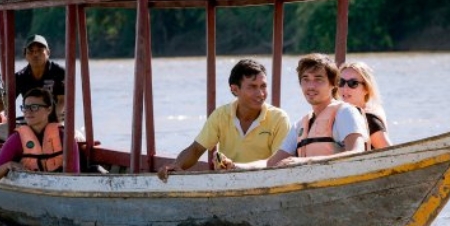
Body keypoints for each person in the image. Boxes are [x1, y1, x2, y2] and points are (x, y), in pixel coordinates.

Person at [157, 59, 291, 181]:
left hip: (265, 183)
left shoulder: (279, 119)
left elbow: (278, 164)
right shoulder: (220, 115)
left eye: (263, 86)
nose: (261, 93)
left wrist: (237, 167)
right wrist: (175, 166)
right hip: (228, 183)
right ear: (234, 89)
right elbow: (196, 149)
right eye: (252, 87)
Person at [234, 53, 368, 169]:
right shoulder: (299, 125)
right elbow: (271, 164)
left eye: (318, 79)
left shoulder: (345, 113)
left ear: (333, 84)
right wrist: (236, 166)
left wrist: (305, 161)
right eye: (306, 79)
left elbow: (356, 154)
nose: (311, 86)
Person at [0, 88, 79, 183]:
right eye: (25, 107)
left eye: (34, 107)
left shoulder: (65, 138)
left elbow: (75, 177)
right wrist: (8, 165)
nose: (28, 112)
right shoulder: (16, 139)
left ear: (49, 109)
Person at [338, 61, 392, 149]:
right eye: (341, 82)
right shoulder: (337, 116)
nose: (345, 88)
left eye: (353, 83)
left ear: (366, 88)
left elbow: (391, 155)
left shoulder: (369, 120)